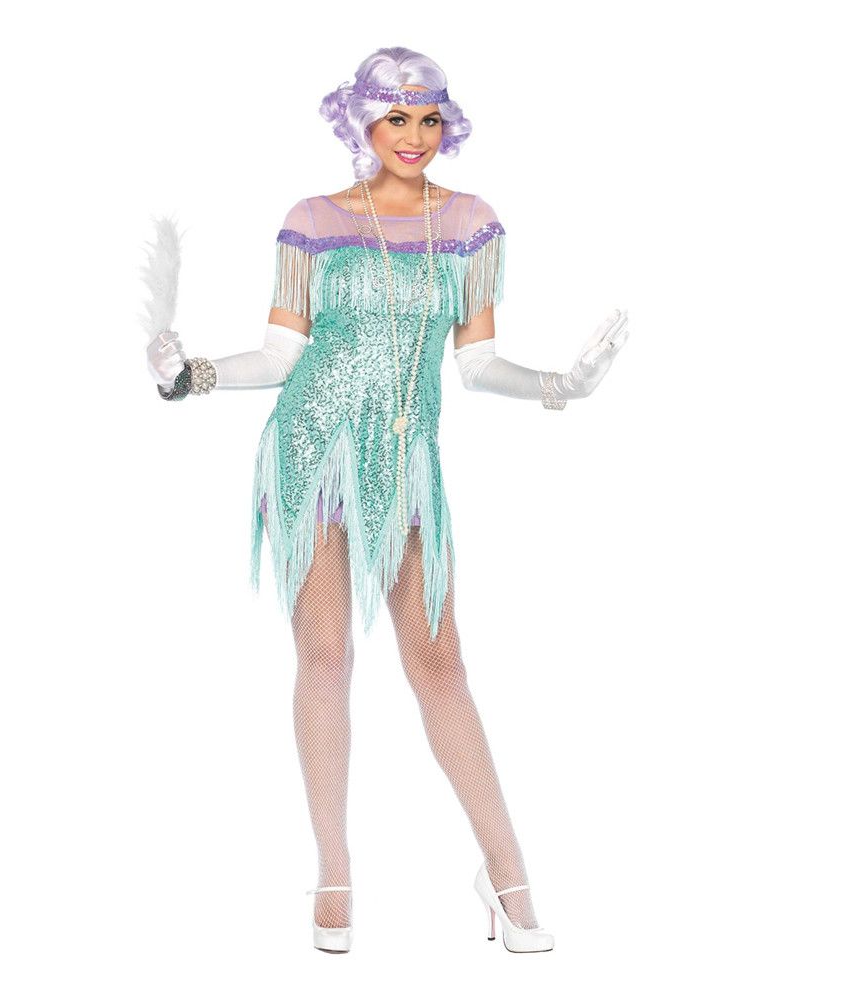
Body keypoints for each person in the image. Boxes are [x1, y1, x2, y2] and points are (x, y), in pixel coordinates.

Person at [142, 46, 629, 955]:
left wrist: (561, 386)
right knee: (325, 657)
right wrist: (190, 374)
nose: (414, 136)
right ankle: (334, 872)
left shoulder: (472, 224)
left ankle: (506, 872)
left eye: (429, 117)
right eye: (395, 117)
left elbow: (477, 365)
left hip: (405, 465)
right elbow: (280, 358)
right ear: (361, 121)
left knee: (441, 664)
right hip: (311, 453)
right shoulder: (314, 220)